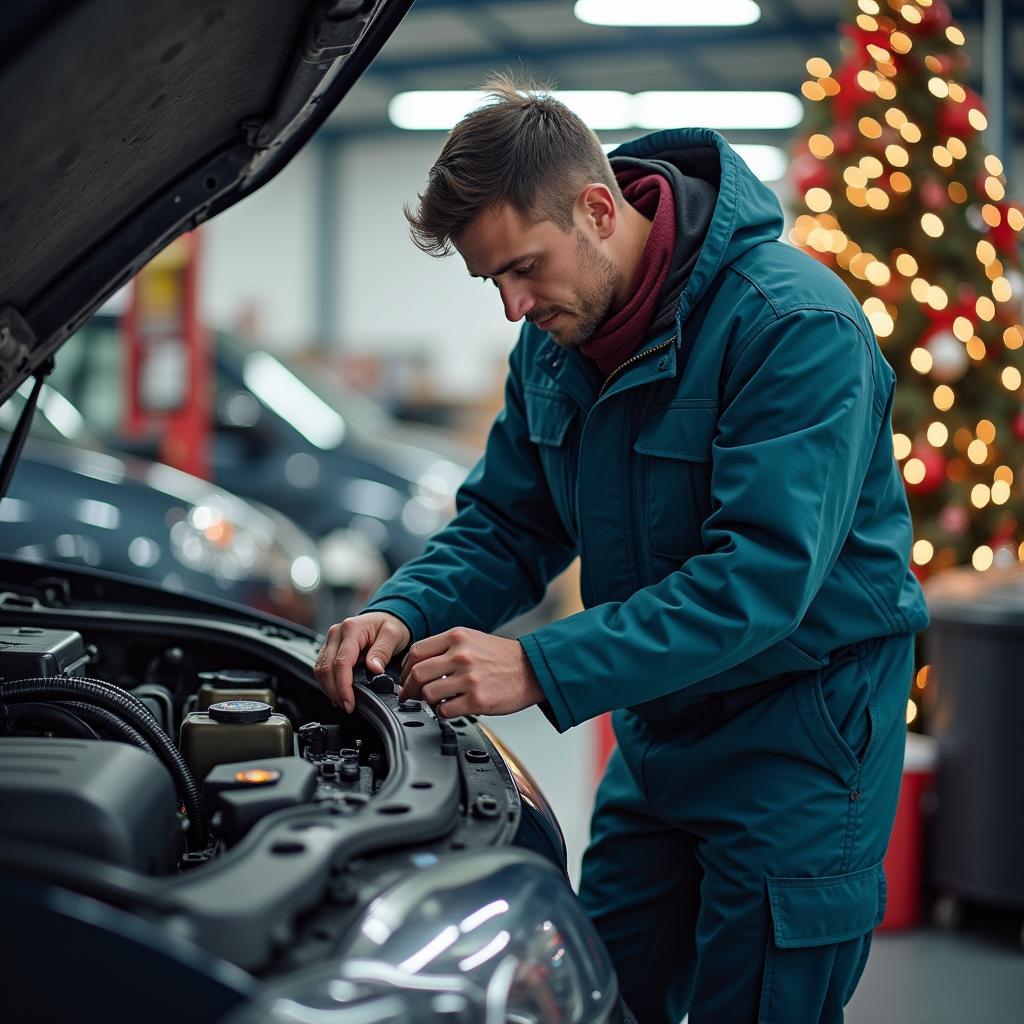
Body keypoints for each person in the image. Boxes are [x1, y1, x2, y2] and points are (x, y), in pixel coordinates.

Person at [314, 74, 929, 1024]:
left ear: (598, 209)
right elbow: (508, 523)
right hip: (657, 731)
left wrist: (538, 665)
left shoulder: (793, 329)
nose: (514, 309)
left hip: (798, 738)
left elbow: (754, 582)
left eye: (524, 267)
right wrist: (404, 609)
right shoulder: (556, 343)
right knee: (593, 992)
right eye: (493, 283)